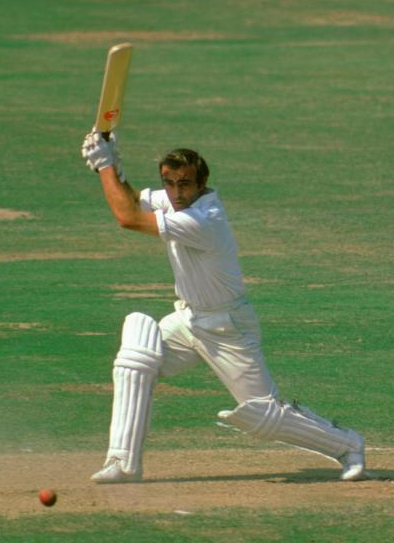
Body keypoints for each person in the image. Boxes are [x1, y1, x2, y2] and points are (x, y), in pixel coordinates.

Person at [80, 129, 366, 483]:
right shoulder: (171, 202)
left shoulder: (202, 220)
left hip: (227, 327)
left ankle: (347, 444)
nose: (176, 192)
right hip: (188, 319)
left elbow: (127, 218)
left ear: (201, 185)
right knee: (136, 355)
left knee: (263, 416)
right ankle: (123, 462)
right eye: (169, 183)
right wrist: (115, 170)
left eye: (184, 184)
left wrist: (105, 165)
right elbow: (133, 200)